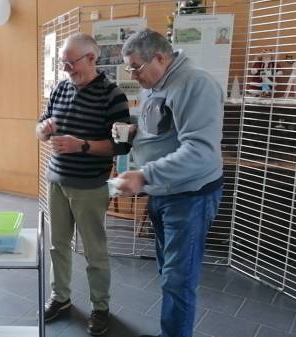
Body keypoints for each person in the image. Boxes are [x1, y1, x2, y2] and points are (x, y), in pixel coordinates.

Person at [115, 29, 224, 337]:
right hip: (163, 192)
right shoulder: (156, 82)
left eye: (135, 67)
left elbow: (200, 152)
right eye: (129, 68)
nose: (133, 74)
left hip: (189, 196)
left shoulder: (195, 84)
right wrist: (134, 132)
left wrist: (145, 174)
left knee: (179, 279)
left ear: (160, 57)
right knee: (168, 272)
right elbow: (160, 129)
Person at [36, 33, 131, 336]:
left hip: (90, 185)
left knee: (94, 251)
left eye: (70, 63)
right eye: (63, 63)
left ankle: (100, 306)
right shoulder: (60, 89)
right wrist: (43, 128)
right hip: (56, 180)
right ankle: (60, 298)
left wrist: (82, 146)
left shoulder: (112, 95)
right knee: (57, 245)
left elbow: (121, 147)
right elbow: (40, 127)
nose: (66, 69)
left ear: (92, 59)